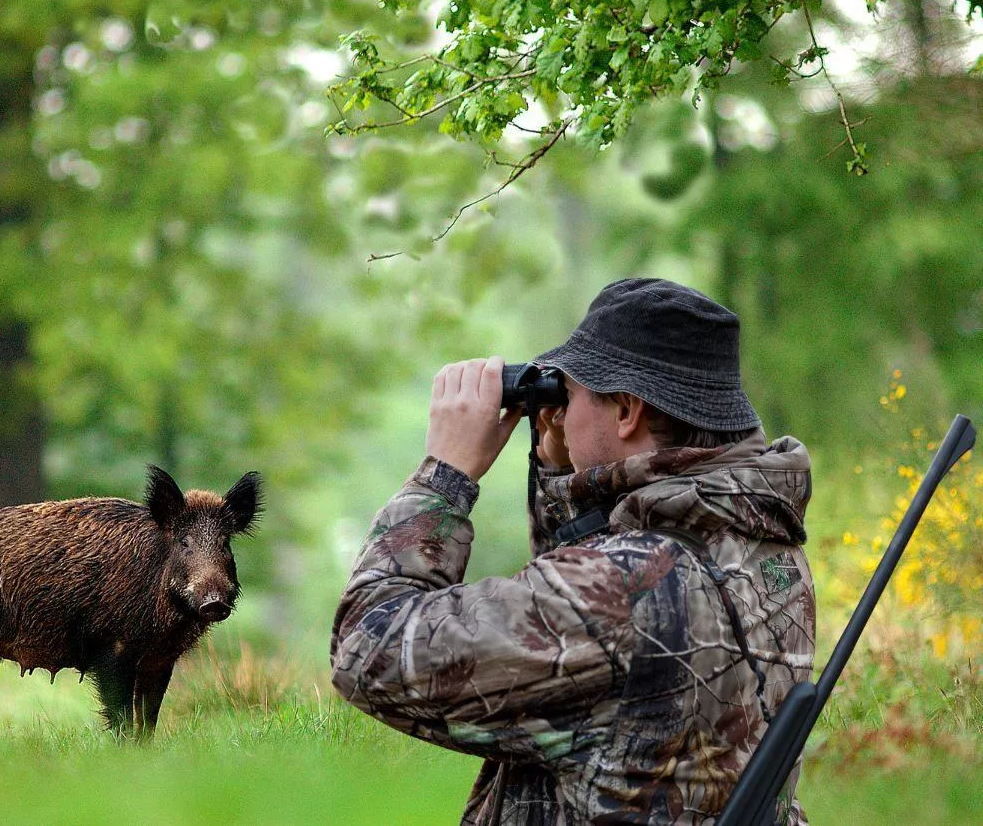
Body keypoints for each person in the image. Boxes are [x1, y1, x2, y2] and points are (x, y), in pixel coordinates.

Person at [330, 278, 816, 825]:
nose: (559, 413)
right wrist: (566, 472)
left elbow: (367, 650)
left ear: (627, 410)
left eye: (570, 394)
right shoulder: (761, 545)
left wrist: (444, 477)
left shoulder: (623, 589)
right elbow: (587, 636)